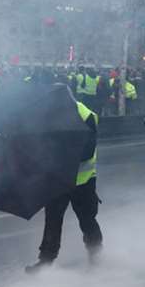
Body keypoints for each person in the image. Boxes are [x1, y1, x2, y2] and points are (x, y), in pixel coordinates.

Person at [26, 97, 101, 273]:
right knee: (52, 219)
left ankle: (96, 255)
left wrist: (61, 153)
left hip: (83, 180)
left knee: (87, 220)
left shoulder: (85, 115)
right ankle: (46, 260)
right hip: (57, 180)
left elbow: (87, 151)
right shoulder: (48, 115)